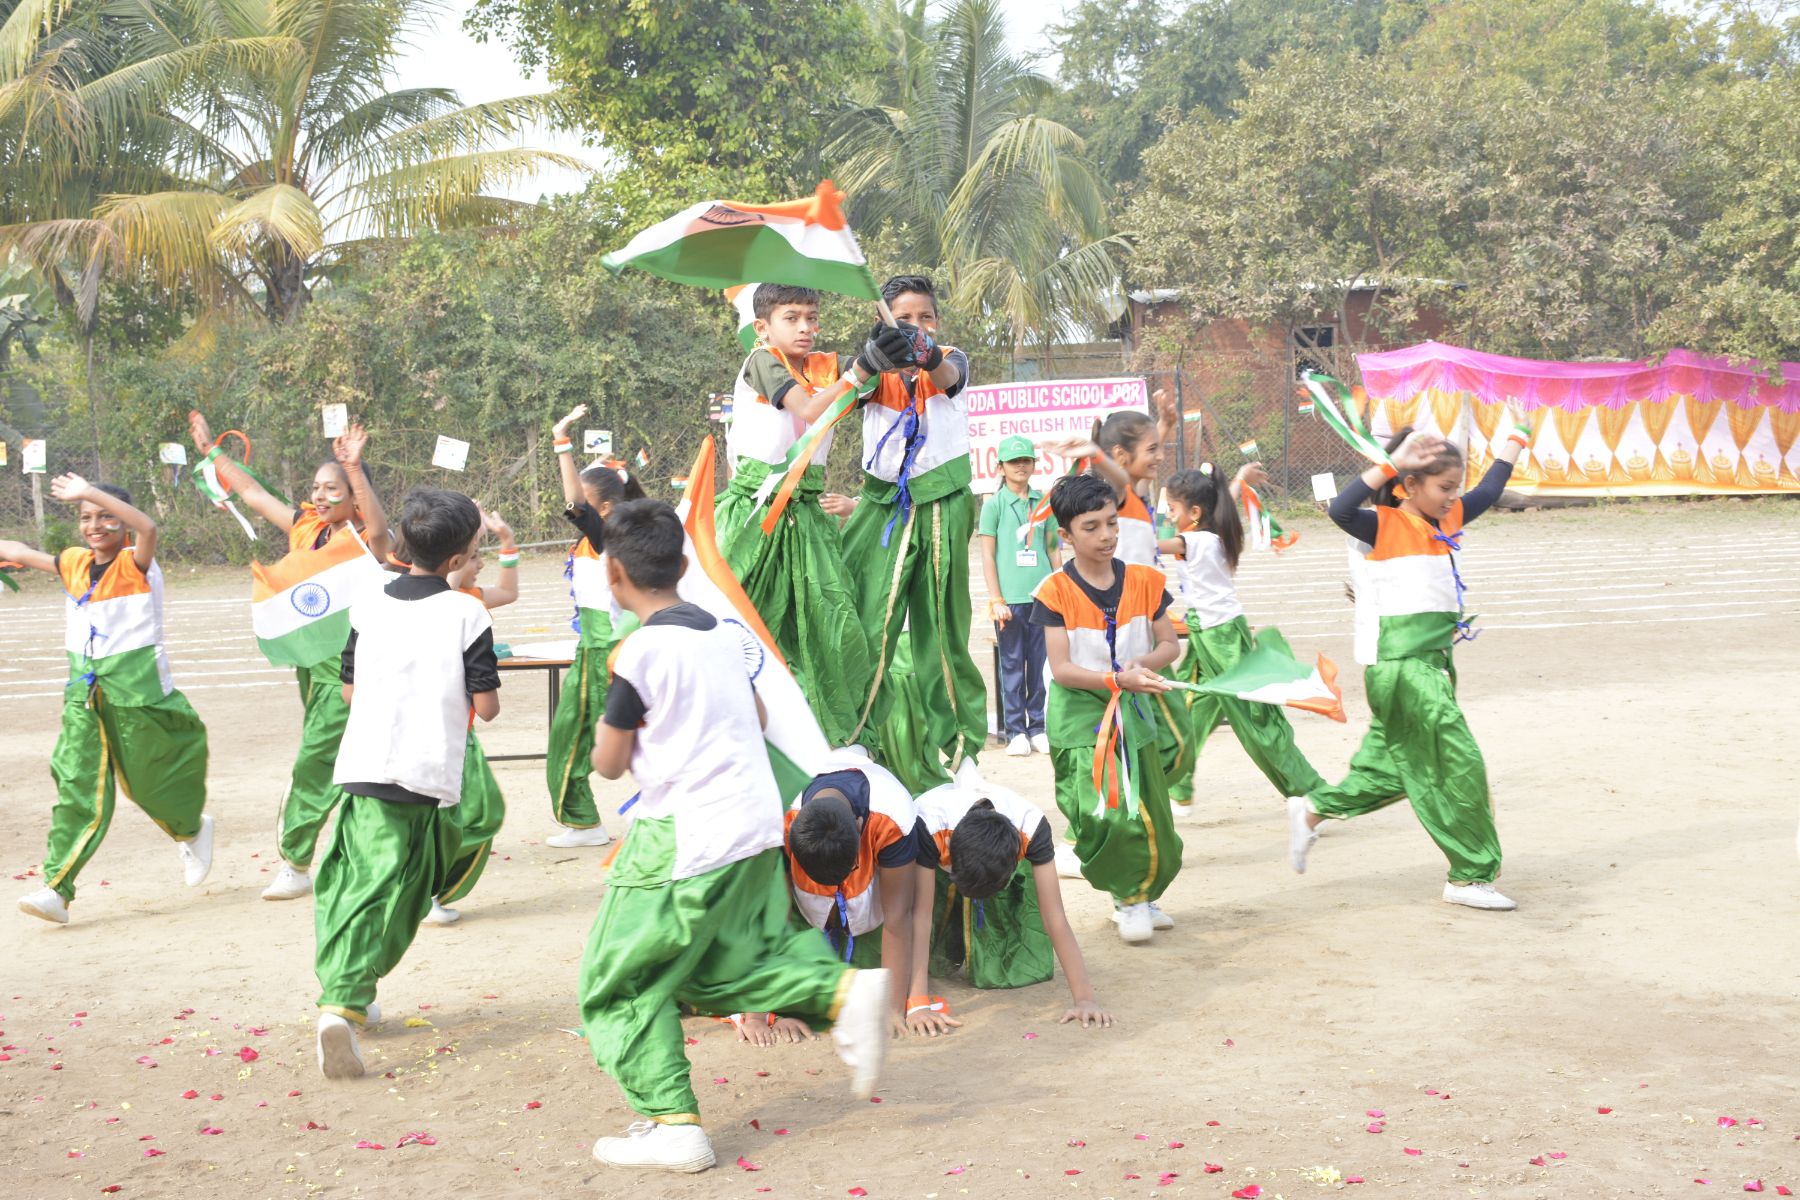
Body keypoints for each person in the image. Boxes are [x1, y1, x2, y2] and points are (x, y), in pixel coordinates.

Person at [577, 499, 889, 1173]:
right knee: (721, 968)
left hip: (684, 836)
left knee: (620, 979)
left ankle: (674, 1123)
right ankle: (841, 991)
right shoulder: (720, 634)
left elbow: (607, 762)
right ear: (684, 567)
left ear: (615, 575)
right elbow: (756, 710)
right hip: (753, 826)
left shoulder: (639, 650)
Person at [1289, 421, 1529, 910]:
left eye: (1453, 489)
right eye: (1442, 487)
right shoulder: (1383, 525)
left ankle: (1313, 810)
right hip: (1402, 667)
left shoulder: (1446, 520)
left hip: (1430, 665)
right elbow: (1338, 508)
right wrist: (1392, 463)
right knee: (1458, 764)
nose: (1451, 497)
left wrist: (1515, 438)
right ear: (1410, 485)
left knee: (1398, 768)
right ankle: (1469, 875)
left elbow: (1489, 490)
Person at [314, 488, 500, 1078]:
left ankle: (351, 991)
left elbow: (348, 690)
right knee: (397, 890)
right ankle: (341, 1000)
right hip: (426, 773)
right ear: (456, 561)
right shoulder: (469, 611)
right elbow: (487, 708)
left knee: (361, 881)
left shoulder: (369, 604)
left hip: (365, 765)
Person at [187, 410, 390, 901]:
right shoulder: (304, 526)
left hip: (351, 670)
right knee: (353, 760)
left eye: (331, 488)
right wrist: (212, 454)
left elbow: (382, 527)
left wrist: (356, 468)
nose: (320, 496)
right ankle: (377, 850)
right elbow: (254, 495)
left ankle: (296, 862)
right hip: (311, 667)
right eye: (317, 487)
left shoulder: (364, 539)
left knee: (315, 760)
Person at [7, 475, 213, 925]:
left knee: (148, 785)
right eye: (85, 517)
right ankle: (56, 889)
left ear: (121, 524)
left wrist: (87, 492)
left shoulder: (136, 563)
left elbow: (149, 528)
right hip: (85, 697)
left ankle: (192, 830)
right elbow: (20, 553)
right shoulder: (74, 563)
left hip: (138, 696)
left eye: (106, 516)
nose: (94, 524)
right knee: (76, 784)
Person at [712, 284, 901, 746]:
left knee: (831, 633)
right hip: (757, 516)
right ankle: (731, 736)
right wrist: (863, 367)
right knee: (741, 628)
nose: (805, 327)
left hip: (809, 519)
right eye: (791, 317)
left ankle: (826, 743)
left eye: (812, 318)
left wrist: (892, 346)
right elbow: (811, 407)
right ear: (762, 327)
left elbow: (874, 387)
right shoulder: (761, 360)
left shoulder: (824, 368)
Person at [840, 274, 986, 785]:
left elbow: (948, 375)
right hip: (882, 505)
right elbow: (838, 400)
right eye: (905, 318)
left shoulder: (950, 356)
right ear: (883, 319)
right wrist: (865, 365)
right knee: (866, 620)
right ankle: (855, 736)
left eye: (926, 317)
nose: (917, 326)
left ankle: (963, 750)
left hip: (941, 498)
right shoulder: (871, 366)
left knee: (943, 628)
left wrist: (925, 351)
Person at [1030, 473, 1183, 944]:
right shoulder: (1053, 591)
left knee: (1153, 812)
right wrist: (1117, 678)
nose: (1107, 536)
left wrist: (1145, 664)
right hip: (1081, 713)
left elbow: (1169, 644)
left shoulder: (1145, 580)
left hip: (1134, 707)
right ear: (1066, 536)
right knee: (1106, 811)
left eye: (1112, 523)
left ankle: (1144, 892)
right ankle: (1128, 897)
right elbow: (1061, 668)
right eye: (1092, 527)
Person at [1157, 466, 1326, 805]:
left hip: (1221, 638)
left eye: (1172, 509)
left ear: (1194, 513)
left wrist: (1115, 527)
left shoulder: (1195, 540)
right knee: (1191, 708)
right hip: (1205, 632)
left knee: (1255, 718)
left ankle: (1311, 792)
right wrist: (1238, 480)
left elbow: (1151, 545)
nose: (1168, 514)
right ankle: (1179, 785)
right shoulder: (1213, 527)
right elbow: (1225, 502)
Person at [733, 747, 918, 1045]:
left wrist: (892, 1012)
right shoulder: (776, 813)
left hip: (868, 911)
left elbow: (898, 917)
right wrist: (757, 1014)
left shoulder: (893, 814)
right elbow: (769, 913)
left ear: (861, 831)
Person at [909, 780, 1112, 1028]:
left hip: (997, 852)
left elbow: (1054, 917)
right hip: (934, 847)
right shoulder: (928, 823)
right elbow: (921, 915)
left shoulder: (1032, 826)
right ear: (949, 850)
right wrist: (918, 1003)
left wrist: (1085, 1000)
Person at [543, 404, 646, 848]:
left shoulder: (612, 536)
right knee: (591, 737)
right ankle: (585, 821)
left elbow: (573, 506)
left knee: (581, 739)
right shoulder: (600, 539)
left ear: (602, 507)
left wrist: (561, 443)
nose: (574, 508)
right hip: (598, 650)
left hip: (607, 653)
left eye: (585, 502)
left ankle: (597, 819)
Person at [431, 508, 521, 925]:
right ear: (451, 562)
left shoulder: (473, 597)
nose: (480, 563)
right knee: (476, 813)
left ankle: (433, 890)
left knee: (470, 812)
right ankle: (432, 890)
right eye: (473, 556)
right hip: (451, 728)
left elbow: (510, 592)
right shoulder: (449, 602)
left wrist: (507, 543)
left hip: (461, 726)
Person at [977, 434, 1058, 756]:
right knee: (1011, 665)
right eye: (1014, 462)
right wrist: (996, 599)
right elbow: (986, 555)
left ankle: (1037, 727)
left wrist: (1058, 588)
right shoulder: (994, 505)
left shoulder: (1043, 502)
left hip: (1042, 598)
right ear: (1001, 468)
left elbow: (1053, 549)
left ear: (1034, 464)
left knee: (1040, 665)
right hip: (1009, 600)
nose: (1021, 466)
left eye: (1026, 460)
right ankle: (1015, 731)